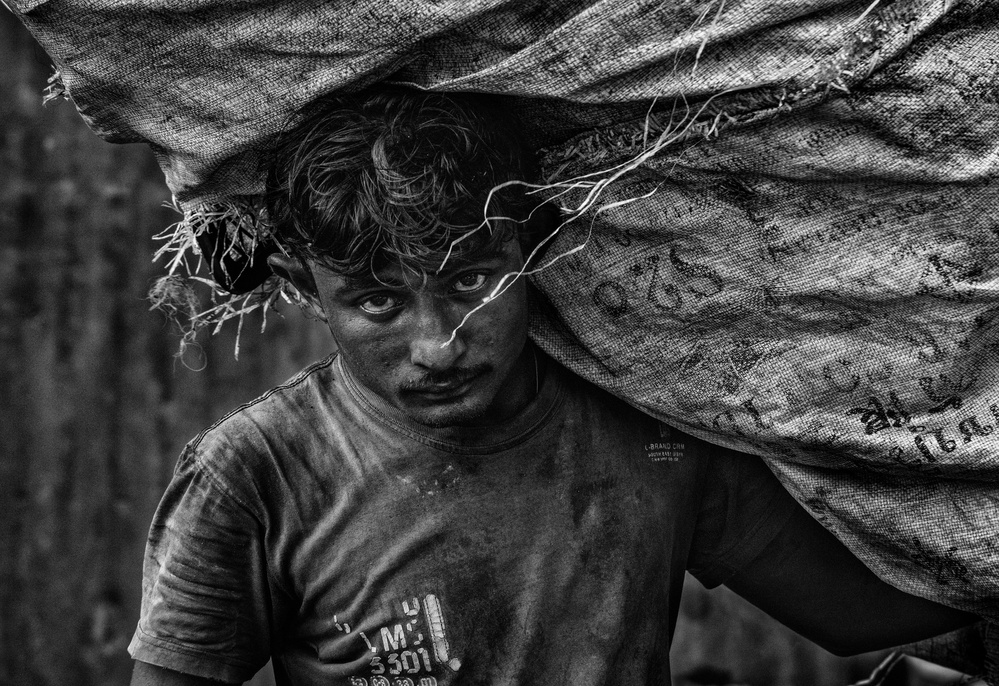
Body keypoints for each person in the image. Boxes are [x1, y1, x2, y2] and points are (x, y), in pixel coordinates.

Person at [127, 90, 978, 686]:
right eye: (376, 300)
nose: (438, 345)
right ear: (309, 290)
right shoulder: (254, 476)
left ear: (533, 250)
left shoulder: (648, 431)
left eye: (472, 283)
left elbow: (854, 615)